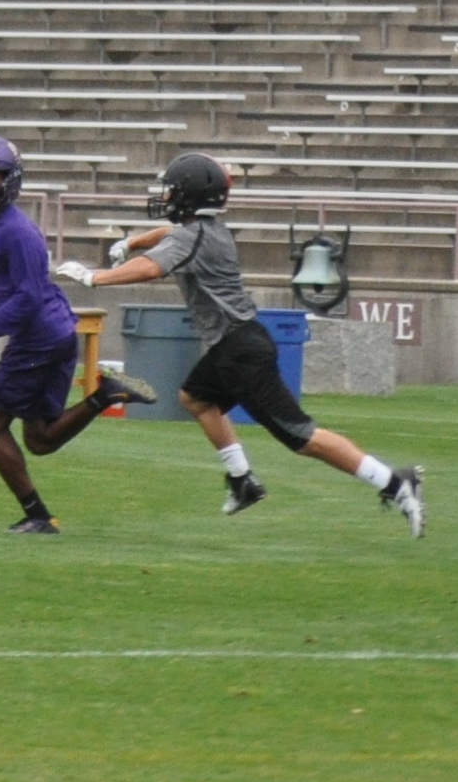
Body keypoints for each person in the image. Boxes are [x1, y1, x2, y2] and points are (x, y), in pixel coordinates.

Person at [70, 152, 425, 535]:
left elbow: (152, 267)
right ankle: (243, 481)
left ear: (190, 194)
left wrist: (96, 278)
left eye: (172, 190)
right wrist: (134, 241)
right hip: (235, 344)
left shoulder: (194, 238)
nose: (167, 196)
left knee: (302, 438)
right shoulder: (207, 232)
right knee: (195, 398)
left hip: (241, 351)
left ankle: (394, 482)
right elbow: (169, 238)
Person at [0, 134, 149, 534]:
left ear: (10, 179)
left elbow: (26, 298)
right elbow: (1, 284)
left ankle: (38, 515)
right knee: (40, 440)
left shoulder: (17, 232)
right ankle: (105, 395)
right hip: (51, 331)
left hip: (38, 338)